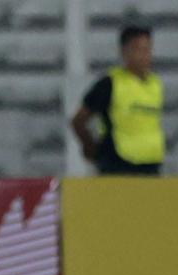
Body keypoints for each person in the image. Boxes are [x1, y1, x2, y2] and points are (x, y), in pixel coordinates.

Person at [70, 26, 164, 176]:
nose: (144, 55)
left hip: (151, 164)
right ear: (124, 52)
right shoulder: (110, 84)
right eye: (138, 49)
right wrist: (91, 148)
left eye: (148, 49)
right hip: (117, 164)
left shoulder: (155, 84)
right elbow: (78, 120)